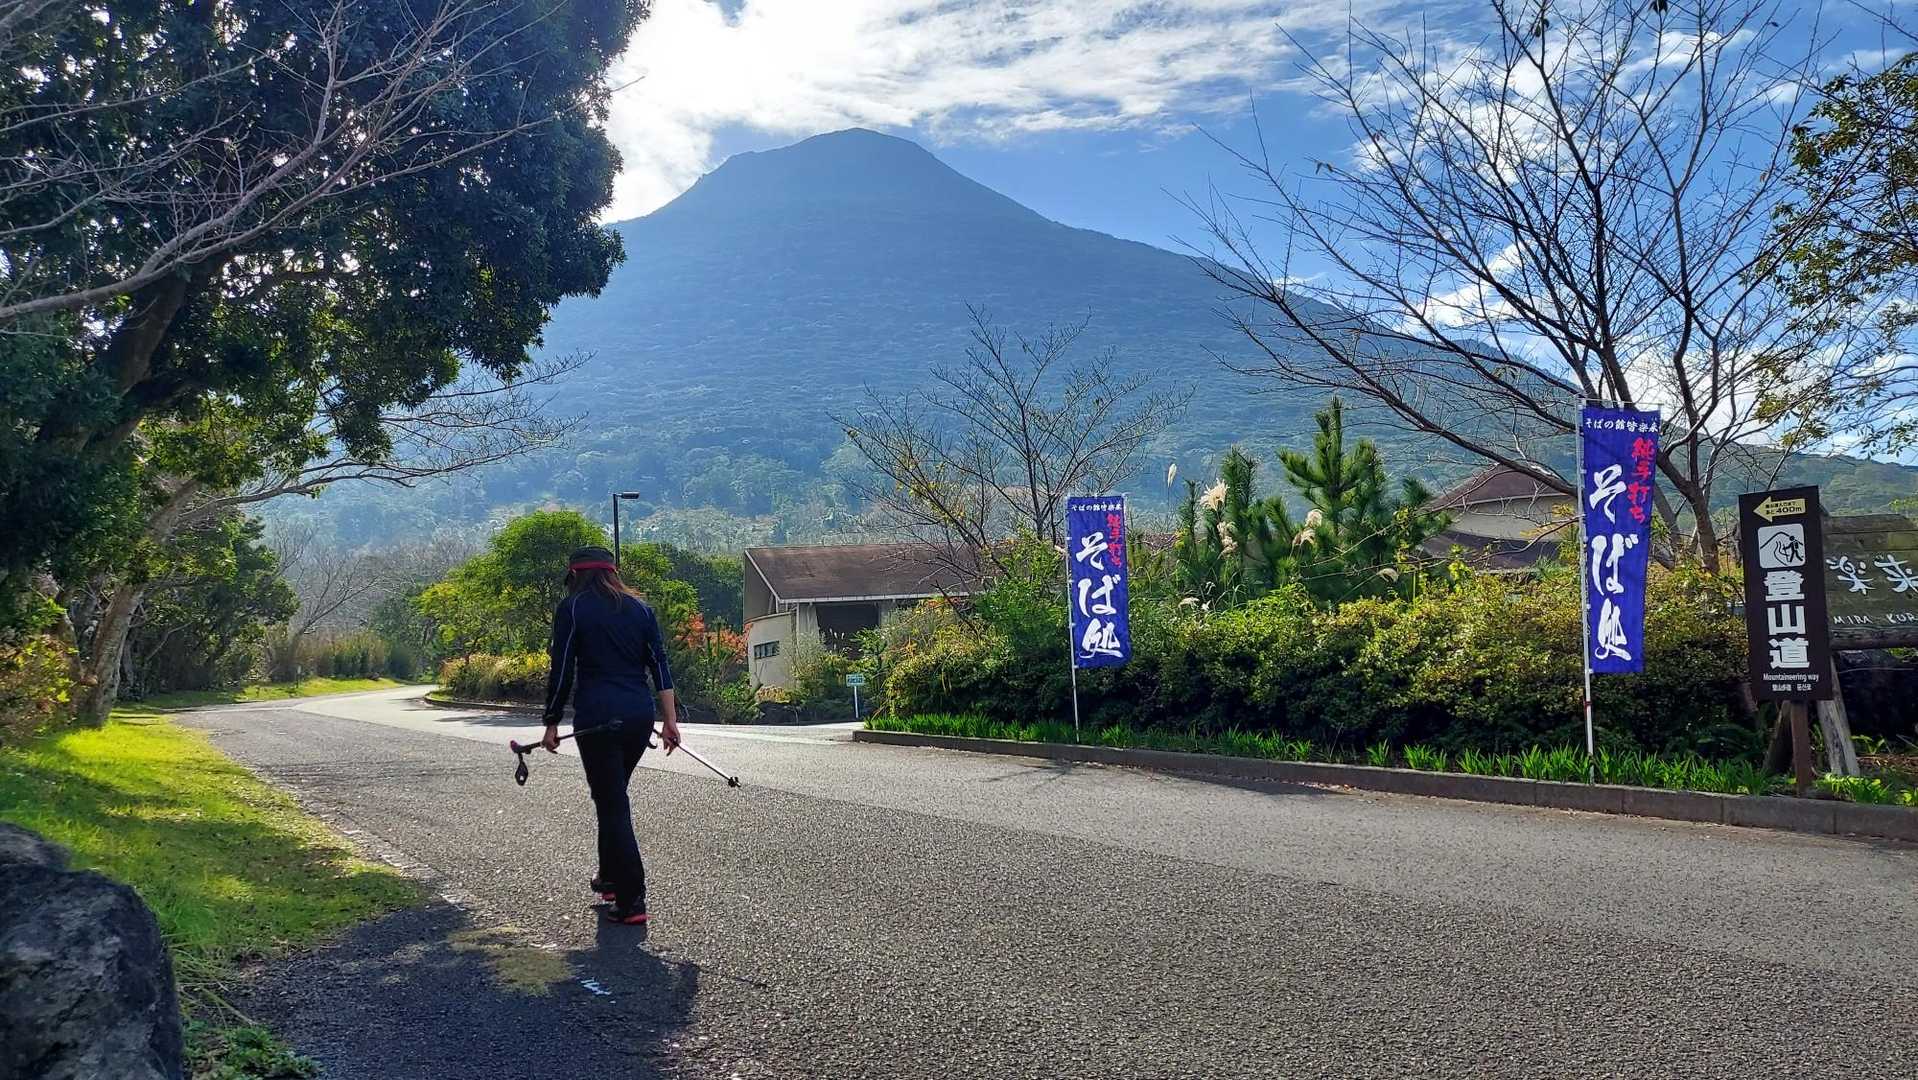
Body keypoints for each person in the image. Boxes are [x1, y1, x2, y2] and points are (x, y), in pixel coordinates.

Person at [541, 545, 681, 925]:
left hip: (598, 717)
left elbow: (562, 669)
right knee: (611, 795)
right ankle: (608, 877)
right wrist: (670, 721)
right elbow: (660, 665)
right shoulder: (641, 609)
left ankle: (631, 898)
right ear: (612, 573)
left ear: (575, 575)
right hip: (638, 716)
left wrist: (551, 721)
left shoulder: (572, 608)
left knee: (612, 803)